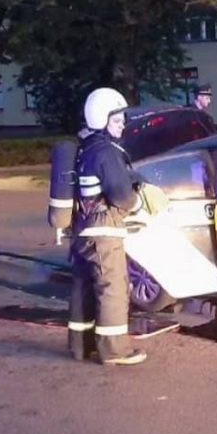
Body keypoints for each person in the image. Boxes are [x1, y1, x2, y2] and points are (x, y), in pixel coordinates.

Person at [68, 87, 148, 366]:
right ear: (101, 120)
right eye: (116, 120)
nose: (122, 125)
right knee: (113, 287)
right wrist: (139, 204)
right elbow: (121, 196)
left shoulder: (85, 147)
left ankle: (81, 345)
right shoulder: (106, 152)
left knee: (84, 288)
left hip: (81, 230)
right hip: (104, 231)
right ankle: (115, 350)